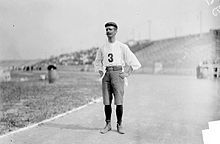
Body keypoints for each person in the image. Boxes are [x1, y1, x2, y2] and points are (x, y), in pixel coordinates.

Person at [94, 22, 141, 134]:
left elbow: (134, 62)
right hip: (107, 74)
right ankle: (108, 124)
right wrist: (101, 71)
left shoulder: (122, 46)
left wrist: (127, 73)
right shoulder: (102, 47)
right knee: (106, 102)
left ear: (115, 31)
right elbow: (97, 61)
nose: (108, 31)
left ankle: (119, 124)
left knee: (119, 102)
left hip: (118, 73)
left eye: (110, 29)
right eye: (106, 29)